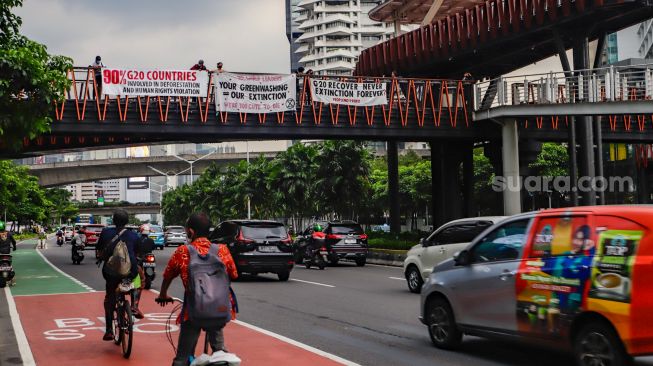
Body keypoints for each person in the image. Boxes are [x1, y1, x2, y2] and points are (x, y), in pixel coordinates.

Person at [156, 213, 238, 366]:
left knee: (181, 358)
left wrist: (163, 294)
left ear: (190, 232)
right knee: (220, 353)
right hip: (219, 309)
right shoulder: (222, 250)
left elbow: (168, 275)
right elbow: (233, 274)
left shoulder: (183, 251)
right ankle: (220, 353)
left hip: (193, 312)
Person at [95, 209, 139, 341]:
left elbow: (99, 250)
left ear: (113, 220)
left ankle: (109, 330)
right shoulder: (134, 235)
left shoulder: (106, 232)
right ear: (127, 222)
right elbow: (137, 253)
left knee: (110, 298)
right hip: (130, 272)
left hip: (110, 272)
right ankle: (134, 306)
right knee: (136, 282)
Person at [132, 224, 155, 319]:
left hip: (141, 258)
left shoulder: (137, 240)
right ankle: (134, 306)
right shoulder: (150, 240)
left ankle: (134, 306)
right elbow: (153, 248)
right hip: (147, 257)